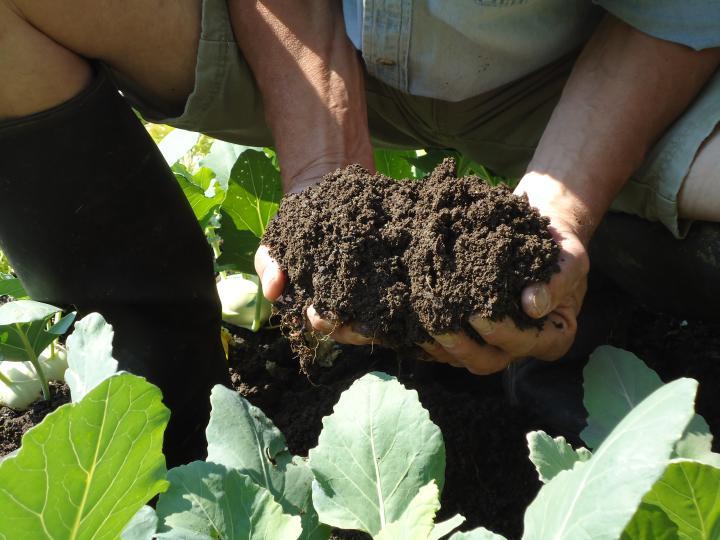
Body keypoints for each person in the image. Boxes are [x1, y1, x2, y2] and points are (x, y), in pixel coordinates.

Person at [0, 0, 718, 463]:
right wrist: (324, 173)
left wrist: (559, 210)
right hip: (318, 39)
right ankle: (158, 410)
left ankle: (611, 311)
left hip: (580, 62)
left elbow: (682, 14)